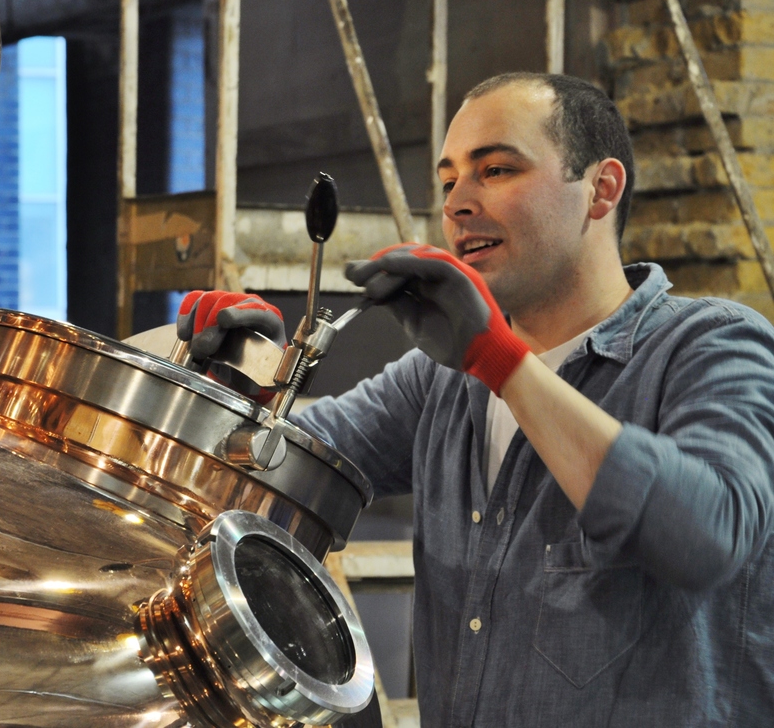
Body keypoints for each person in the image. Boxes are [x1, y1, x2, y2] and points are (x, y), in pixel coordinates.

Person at [177, 72, 774, 725]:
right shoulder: (439, 380)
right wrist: (238, 383)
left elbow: (708, 537)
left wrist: (501, 362)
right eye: (446, 180)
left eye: (495, 170)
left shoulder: (713, 347)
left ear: (599, 190)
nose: (457, 202)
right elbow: (254, 473)